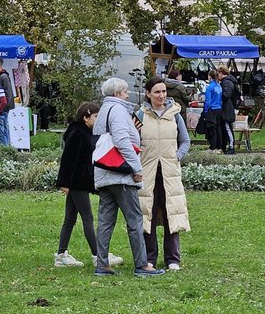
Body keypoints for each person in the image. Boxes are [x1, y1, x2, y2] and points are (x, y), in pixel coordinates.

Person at [93, 78, 164, 277]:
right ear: (116, 94)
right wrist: (136, 167)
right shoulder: (118, 111)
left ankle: (102, 263)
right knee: (134, 220)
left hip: (104, 173)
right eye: (125, 91)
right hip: (121, 174)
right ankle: (142, 264)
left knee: (106, 221)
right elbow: (122, 141)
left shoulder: (103, 111)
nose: (127, 94)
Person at [54, 102, 124, 268]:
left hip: (78, 181)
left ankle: (61, 255)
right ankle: (98, 255)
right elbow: (68, 159)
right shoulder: (78, 133)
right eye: (95, 116)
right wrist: (64, 182)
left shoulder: (84, 131)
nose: (97, 119)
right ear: (85, 117)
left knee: (70, 218)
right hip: (77, 181)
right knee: (87, 218)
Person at [139, 77, 191, 271]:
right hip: (148, 172)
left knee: (172, 212)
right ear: (148, 94)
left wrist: (176, 157)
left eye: (163, 92)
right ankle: (149, 257)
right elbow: (134, 142)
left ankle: (172, 258)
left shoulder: (175, 114)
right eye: (157, 92)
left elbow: (185, 140)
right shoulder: (141, 115)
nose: (161, 96)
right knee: (148, 213)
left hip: (169, 172)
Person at [217, 66, 238, 154]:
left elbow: (226, 95)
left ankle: (231, 146)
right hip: (227, 108)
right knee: (225, 128)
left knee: (227, 127)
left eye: (218, 73)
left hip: (227, 109)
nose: (218, 75)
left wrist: (218, 95)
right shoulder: (227, 82)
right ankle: (225, 146)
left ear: (222, 73)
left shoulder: (227, 83)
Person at [203, 70, 223, 153]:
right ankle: (219, 146)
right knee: (219, 128)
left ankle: (212, 147)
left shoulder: (209, 87)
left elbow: (208, 100)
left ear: (210, 76)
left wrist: (206, 110)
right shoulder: (219, 86)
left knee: (212, 128)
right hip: (219, 108)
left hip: (212, 109)